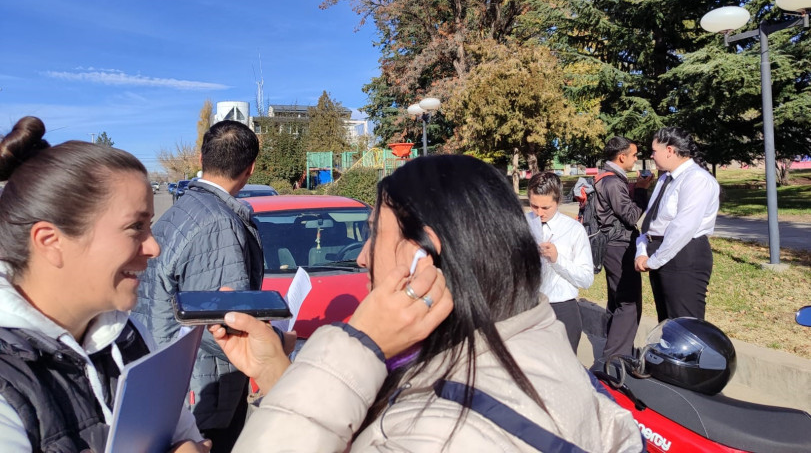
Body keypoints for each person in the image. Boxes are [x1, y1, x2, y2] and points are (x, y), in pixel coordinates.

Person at [213, 155, 643, 452]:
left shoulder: (449, 430)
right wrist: (276, 372)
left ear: (425, 255)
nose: (363, 257)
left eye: (373, 234)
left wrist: (357, 343)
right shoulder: (519, 343)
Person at [0, 116, 209, 452]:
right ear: (50, 241)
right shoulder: (8, 384)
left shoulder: (130, 336)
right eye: (135, 227)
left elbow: (186, 436)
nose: (153, 248)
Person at [134, 120, 263, 452]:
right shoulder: (218, 222)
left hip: (175, 383)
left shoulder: (185, 210)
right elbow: (222, 324)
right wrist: (274, 341)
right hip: (205, 393)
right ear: (249, 169)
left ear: (202, 159)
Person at [635, 127, 720, 322]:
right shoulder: (666, 178)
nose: (651, 155)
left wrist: (654, 260)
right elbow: (651, 221)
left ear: (670, 150)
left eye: (654, 150)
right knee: (666, 324)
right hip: (661, 252)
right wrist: (642, 250)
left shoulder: (696, 179)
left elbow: (683, 228)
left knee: (684, 326)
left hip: (684, 255)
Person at [595, 137, 652, 358]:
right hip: (619, 246)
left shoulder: (606, 177)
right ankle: (616, 358)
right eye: (634, 155)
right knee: (628, 303)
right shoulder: (612, 182)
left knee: (617, 301)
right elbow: (630, 215)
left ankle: (615, 351)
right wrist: (640, 190)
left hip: (612, 244)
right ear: (622, 156)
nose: (636, 159)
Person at [525, 171, 594, 352]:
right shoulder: (523, 223)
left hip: (561, 308)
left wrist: (557, 259)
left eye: (546, 208)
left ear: (558, 201)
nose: (539, 213)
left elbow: (586, 279)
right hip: (527, 307)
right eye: (534, 206)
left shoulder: (573, 230)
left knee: (564, 371)